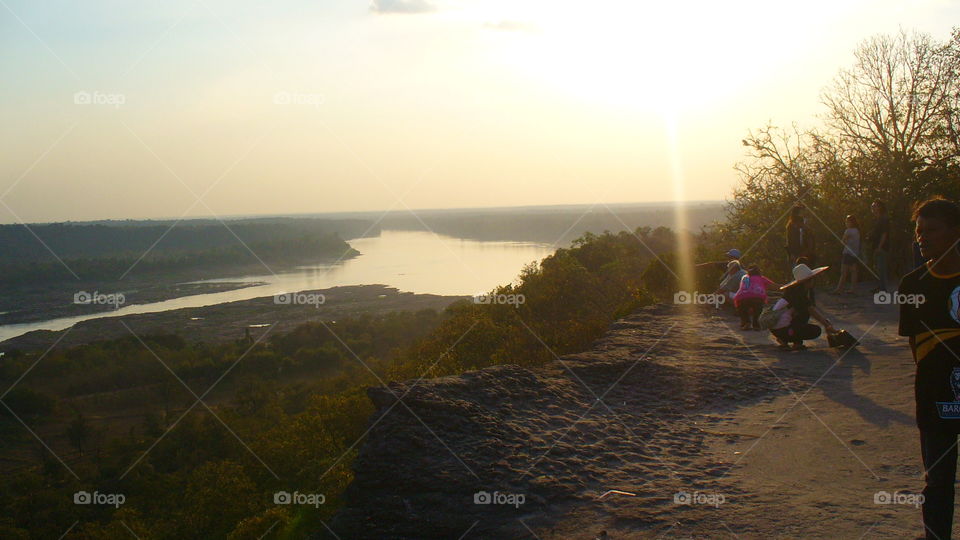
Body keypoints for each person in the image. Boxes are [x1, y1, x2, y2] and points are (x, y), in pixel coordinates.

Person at [897, 197, 960, 540]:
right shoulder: (912, 285)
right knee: (938, 480)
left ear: (956, 232)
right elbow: (916, 347)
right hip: (935, 395)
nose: (922, 238)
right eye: (919, 231)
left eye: (932, 231)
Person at [769, 263, 837, 350]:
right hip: (784, 330)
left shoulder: (791, 292)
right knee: (815, 329)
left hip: (776, 330)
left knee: (799, 315)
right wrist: (827, 325)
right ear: (808, 281)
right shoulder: (799, 295)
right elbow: (812, 312)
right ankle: (795, 341)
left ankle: (786, 340)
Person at [734, 265, 779, 330]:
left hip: (742, 297)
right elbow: (774, 286)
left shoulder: (744, 278)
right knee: (758, 310)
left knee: (742, 309)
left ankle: (746, 322)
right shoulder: (761, 278)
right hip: (758, 297)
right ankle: (756, 325)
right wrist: (786, 287)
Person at [832, 215, 861, 294]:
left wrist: (845, 241)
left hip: (847, 253)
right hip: (855, 253)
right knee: (853, 272)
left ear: (851, 222)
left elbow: (843, 241)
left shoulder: (848, 231)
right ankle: (853, 289)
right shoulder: (857, 230)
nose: (846, 223)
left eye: (847, 221)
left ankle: (839, 289)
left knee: (843, 272)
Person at [785, 205, 815, 279]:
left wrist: (809, 249)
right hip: (795, 253)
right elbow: (790, 241)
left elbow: (810, 237)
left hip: (806, 252)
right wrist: (791, 253)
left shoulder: (805, 225)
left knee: (808, 271)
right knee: (797, 272)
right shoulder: (791, 226)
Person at [869, 200, 890, 293]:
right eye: (872, 206)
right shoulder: (877, 220)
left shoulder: (883, 219)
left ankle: (883, 288)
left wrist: (880, 247)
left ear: (880, 207)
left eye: (874, 206)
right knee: (877, 268)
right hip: (876, 246)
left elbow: (884, 234)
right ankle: (879, 286)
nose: (872, 208)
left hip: (882, 247)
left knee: (881, 268)